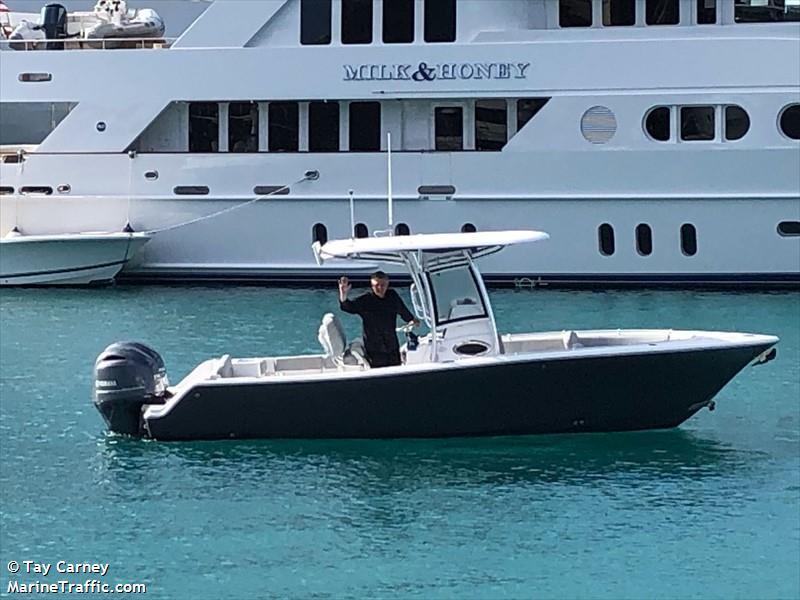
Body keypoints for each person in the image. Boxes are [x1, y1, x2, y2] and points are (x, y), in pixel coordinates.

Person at [338, 271, 418, 368]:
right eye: (376, 285)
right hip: (374, 349)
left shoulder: (392, 297)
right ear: (372, 286)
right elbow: (347, 307)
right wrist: (343, 294)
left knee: (396, 370)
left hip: (391, 345)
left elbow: (403, 311)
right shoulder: (366, 300)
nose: (380, 288)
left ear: (387, 284)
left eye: (383, 285)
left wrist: (412, 320)